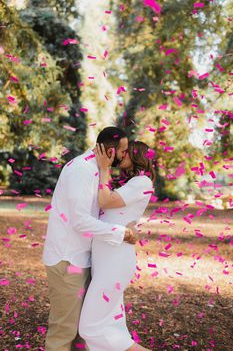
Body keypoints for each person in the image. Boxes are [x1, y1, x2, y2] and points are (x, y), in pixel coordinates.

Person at [43, 127, 138, 351]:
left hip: (82, 259)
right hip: (67, 260)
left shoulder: (97, 169)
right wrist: (120, 233)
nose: (126, 155)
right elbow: (80, 221)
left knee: (82, 332)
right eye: (123, 151)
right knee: (64, 330)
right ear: (111, 151)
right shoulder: (82, 170)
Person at [79, 140, 155, 351]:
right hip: (106, 259)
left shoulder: (142, 182)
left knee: (90, 328)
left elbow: (105, 201)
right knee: (110, 326)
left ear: (137, 156)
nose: (121, 155)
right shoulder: (132, 184)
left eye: (126, 152)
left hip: (115, 260)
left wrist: (104, 168)